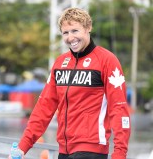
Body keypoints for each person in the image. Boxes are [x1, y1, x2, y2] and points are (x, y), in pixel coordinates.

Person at [9, 8, 131, 159]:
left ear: (88, 28)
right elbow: (44, 107)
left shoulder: (107, 60)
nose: (70, 37)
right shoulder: (60, 63)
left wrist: (120, 154)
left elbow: (119, 110)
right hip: (64, 151)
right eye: (65, 33)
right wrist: (22, 147)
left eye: (75, 31)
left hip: (92, 150)